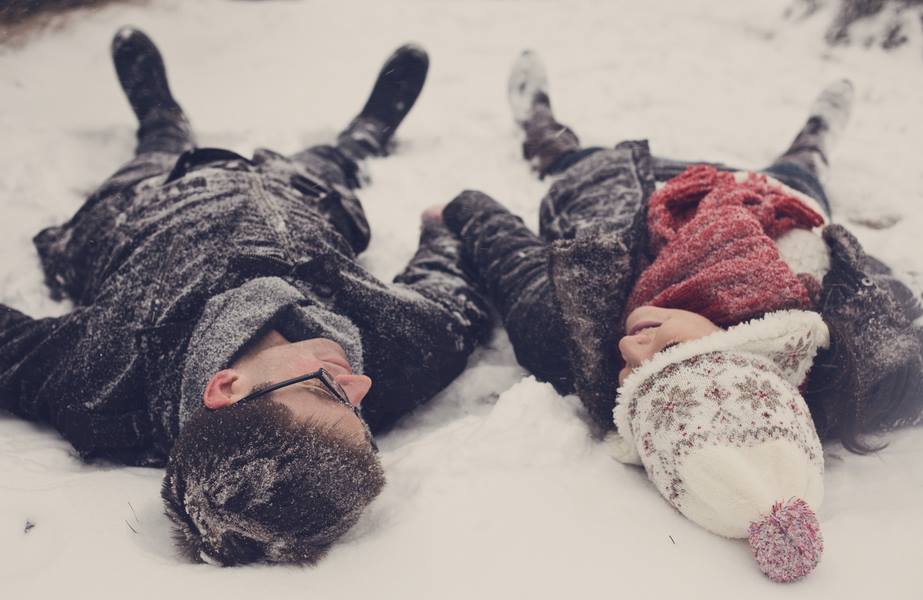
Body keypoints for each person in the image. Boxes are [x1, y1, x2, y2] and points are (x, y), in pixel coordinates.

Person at [0, 28, 491, 566]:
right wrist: (441, 235)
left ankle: (160, 116)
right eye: (359, 409)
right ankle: (363, 136)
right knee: (330, 163)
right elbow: (448, 304)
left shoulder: (107, 381)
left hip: (153, 197)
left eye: (329, 390)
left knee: (159, 146)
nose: (362, 381)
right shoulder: (398, 355)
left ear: (225, 386)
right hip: (298, 198)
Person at [439, 50, 923, 453]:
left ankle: (538, 120)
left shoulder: (572, 335)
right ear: (742, 353)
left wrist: (459, 210)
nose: (628, 348)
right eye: (668, 352)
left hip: (625, 180)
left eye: (630, 379)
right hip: (771, 195)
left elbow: (510, 259)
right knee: (803, 171)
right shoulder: (848, 362)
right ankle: (816, 136)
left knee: (563, 155)